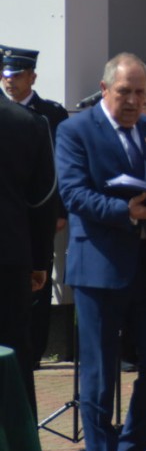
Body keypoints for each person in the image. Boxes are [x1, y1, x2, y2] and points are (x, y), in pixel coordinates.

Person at [56, 53, 146, 451]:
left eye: (140, 92)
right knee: (100, 376)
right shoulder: (75, 130)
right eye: (124, 92)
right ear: (104, 89)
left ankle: (130, 448)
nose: (133, 101)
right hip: (99, 270)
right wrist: (126, 211)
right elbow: (73, 194)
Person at [1, 46, 69, 370]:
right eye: (6, 75)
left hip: (33, 222)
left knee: (35, 292)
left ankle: (36, 349)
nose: (9, 81)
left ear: (32, 77)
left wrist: (59, 211)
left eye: (16, 75)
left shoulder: (48, 115)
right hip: (14, 229)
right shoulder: (20, 119)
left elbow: (58, 174)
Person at [0, 85, 57, 423]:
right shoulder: (28, 122)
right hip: (11, 255)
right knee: (15, 352)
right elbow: (43, 199)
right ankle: (21, 440)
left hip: (12, 255)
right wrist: (40, 260)